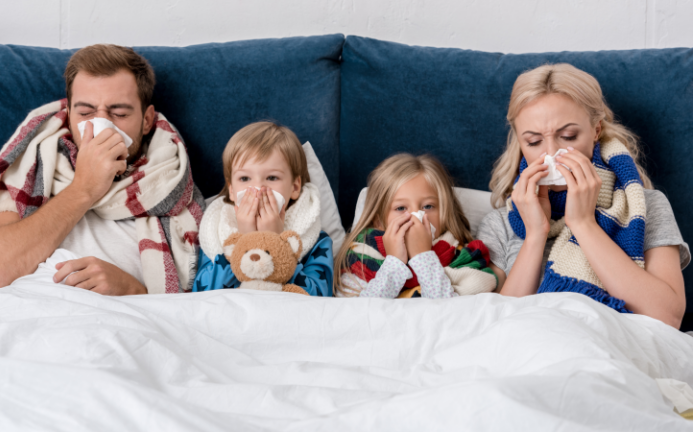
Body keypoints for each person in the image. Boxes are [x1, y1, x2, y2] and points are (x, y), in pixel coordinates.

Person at [0, 44, 205, 295]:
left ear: (146, 120)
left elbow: (191, 304)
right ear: (69, 115)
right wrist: (84, 188)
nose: (101, 126)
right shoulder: (29, 171)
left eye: (119, 113)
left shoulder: (173, 187)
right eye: (86, 112)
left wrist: (132, 290)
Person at [478, 63, 689, 328]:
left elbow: (667, 318)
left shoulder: (645, 206)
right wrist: (535, 235)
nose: (551, 153)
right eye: (534, 142)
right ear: (520, 143)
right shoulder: (500, 223)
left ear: (596, 130)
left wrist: (583, 224)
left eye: (568, 136)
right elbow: (498, 328)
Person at [193, 121, 333, 296]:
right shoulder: (215, 232)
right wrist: (246, 240)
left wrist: (275, 242)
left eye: (272, 178)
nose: (258, 188)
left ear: (295, 187)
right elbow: (202, 295)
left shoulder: (317, 240)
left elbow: (319, 298)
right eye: (245, 179)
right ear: (231, 190)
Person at [335, 153, 497, 298]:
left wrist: (423, 257)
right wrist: (395, 262)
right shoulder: (360, 258)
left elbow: (451, 313)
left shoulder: (464, 258)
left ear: (445, 213)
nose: (415, 217)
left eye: (428, 206)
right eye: (401, 208)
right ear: (378, 220)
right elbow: (363, 314)